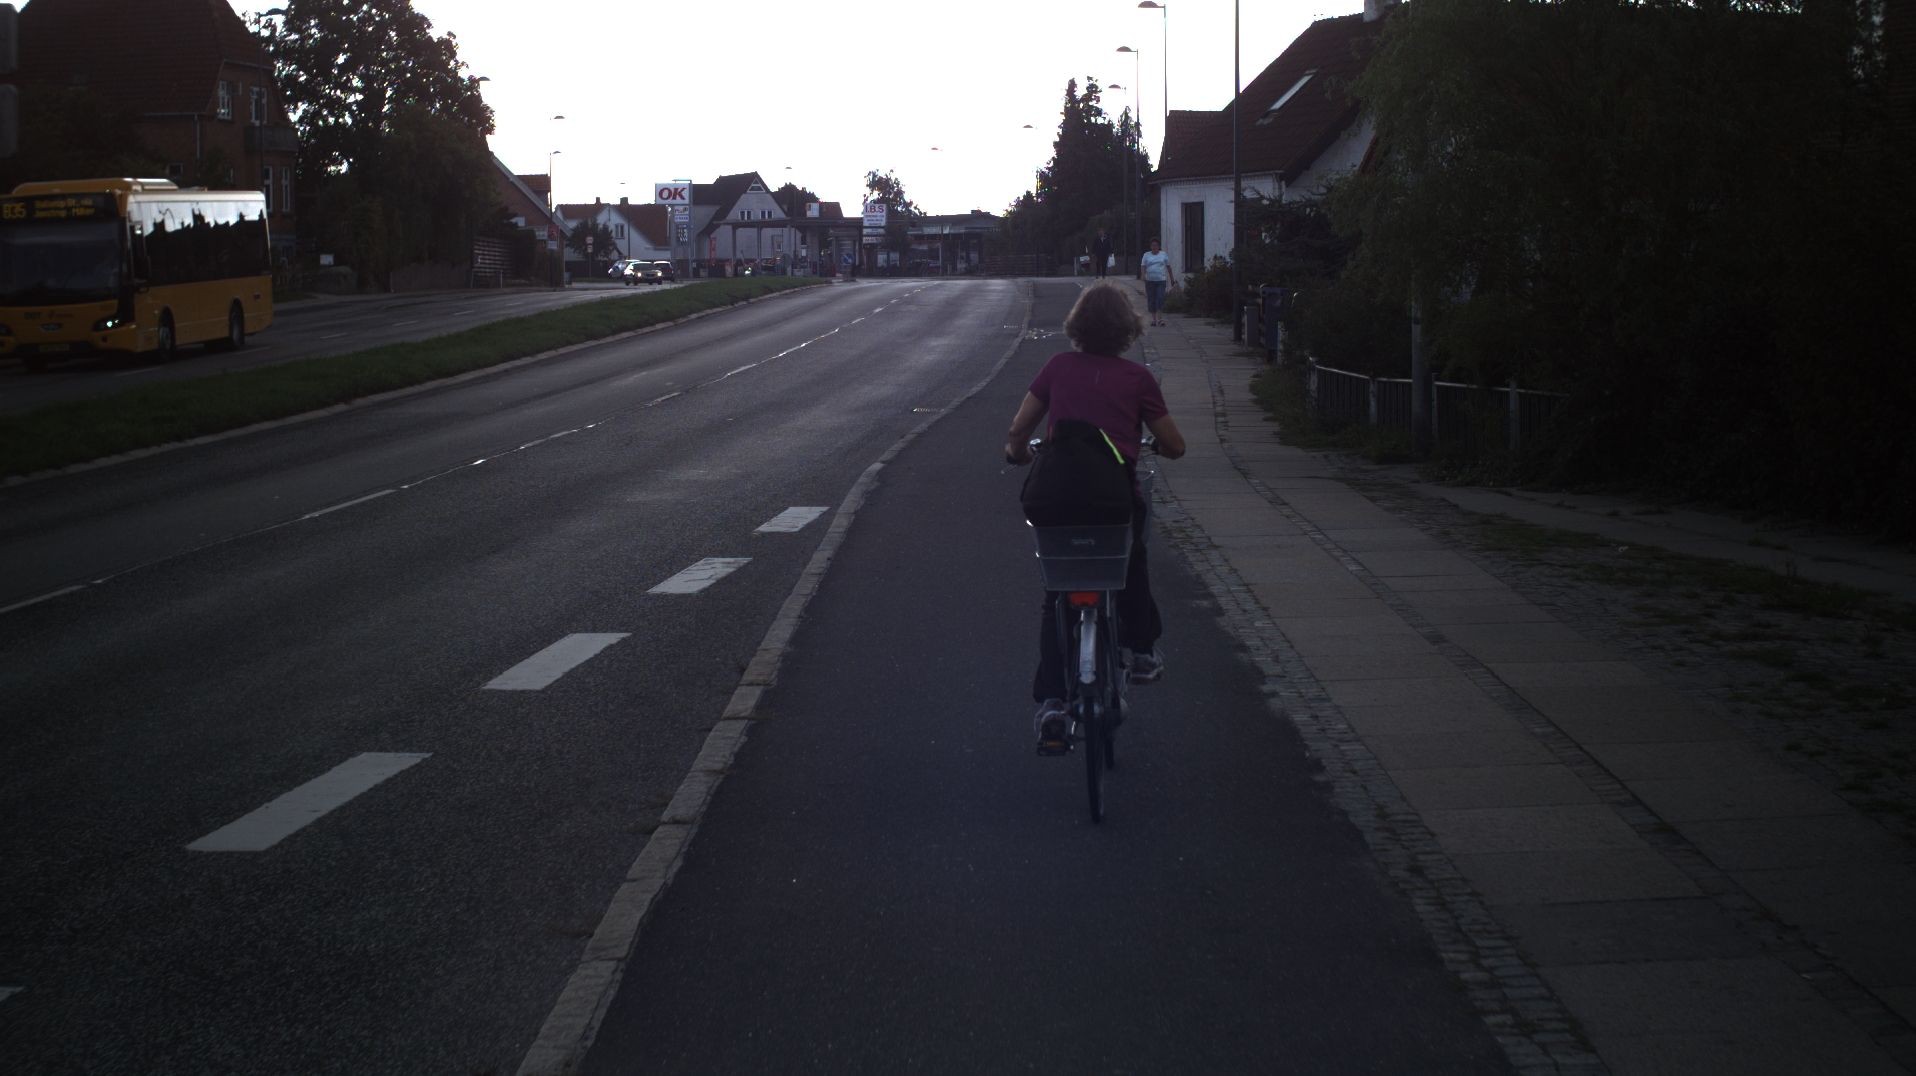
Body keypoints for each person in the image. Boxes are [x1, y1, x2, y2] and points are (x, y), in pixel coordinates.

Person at [1003, 283, 1188, 752]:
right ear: (1127, 329)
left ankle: (1052, 702)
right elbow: (1175, 444)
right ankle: (1141, 651)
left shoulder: (1057, 367)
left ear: (1077, 325)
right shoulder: (1138, 379)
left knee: (1056, 595)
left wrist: (1018, 453)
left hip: (1055, 499)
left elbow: (1018, 429)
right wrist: (1159, 447)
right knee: (1131, 561)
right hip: (1112, 500)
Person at [1139, 238, 1176, 327]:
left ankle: (1160, 319)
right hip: (1150, 281)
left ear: (1159, 246)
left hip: (1161, 280)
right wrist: (1143, 275)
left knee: (1160, 298)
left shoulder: (1163, 255)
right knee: (1151, 299)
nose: (1154, 247)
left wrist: (1172, 279)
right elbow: (1143, 266)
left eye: (1156, 245)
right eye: (1152, 245)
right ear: (1150, 246)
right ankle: (1153, 319)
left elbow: (1168, 267)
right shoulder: (1146, 255)